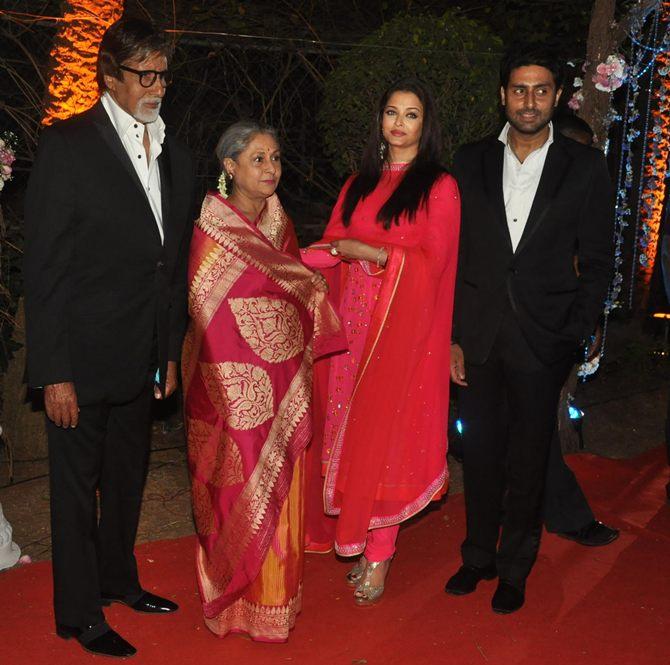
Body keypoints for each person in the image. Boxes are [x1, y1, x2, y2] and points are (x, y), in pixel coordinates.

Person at [24, 17, 196, 658]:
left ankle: (121, 582)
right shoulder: (69, 145)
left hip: (143, 355)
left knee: (126, 481)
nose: (156, 86)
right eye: (143, 75)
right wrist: (52, 370)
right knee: (75, 492)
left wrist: (169, 348)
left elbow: (169, 266)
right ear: (110, 76)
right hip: (80, 357)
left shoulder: (177, 152)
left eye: (162, 74)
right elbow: (42, 267)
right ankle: (78, 614)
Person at [445, 43, 614, 614]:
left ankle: (516, 567)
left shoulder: (585, 167)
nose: (529, 100)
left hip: (544, 340)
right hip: (478, 337)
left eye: (541, 90)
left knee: (527, 459)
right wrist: (450, 337)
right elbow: (450, 256)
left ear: (558, 97)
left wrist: (574, 330)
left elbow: (598, 262)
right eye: (519, 89)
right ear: (502, 96)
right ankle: (477, 557)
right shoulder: (467, 163)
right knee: (480, 452)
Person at [182, 121, 343, 642]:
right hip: (225, 387)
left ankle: (274, 603)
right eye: (257, 159)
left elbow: (292, 295)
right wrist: (238, 385)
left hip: (283, 382)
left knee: (283, 487)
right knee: (233, 484)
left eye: (275, 158)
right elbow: (208, 309)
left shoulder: (280, 224)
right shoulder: (211, 227)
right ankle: (231, 603)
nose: (271, 169)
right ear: (229, 166)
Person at [302, 78, 461, 605]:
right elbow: (329, 247)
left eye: (411, 114)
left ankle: (379, 555)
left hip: (404, 334)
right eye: (391, 112)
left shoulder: (439, 187)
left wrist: (369, 254)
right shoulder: (357, 184)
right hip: (352, 329)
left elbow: (435, 265)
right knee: (352, 434)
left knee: (387, 437)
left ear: (425, 125)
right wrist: (273, 259)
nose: (399, 123)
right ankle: (362, 536)